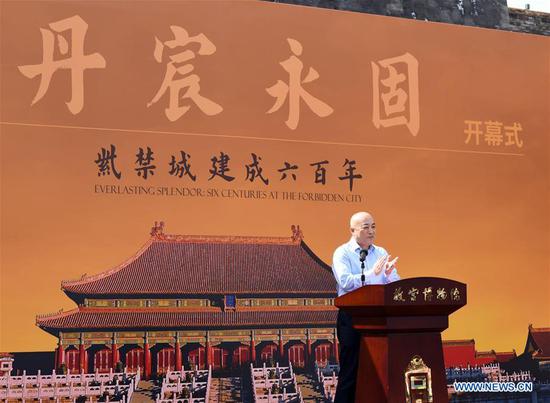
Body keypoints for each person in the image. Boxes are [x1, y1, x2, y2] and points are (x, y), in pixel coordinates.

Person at [331, 211, 400, 403]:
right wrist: (372, 274)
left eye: (374, 226)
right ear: (353, 230)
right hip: (352, 317)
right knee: (351, 371)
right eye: (366, 227)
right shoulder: (342, 253)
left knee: (380, 369)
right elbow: (345, 282)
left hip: (378, 317)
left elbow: (392, 281)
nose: (371, 231)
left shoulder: (381, 252)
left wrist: (388, 276)